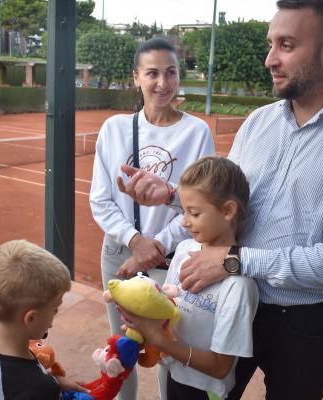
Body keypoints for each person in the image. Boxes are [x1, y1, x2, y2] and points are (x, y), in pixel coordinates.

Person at [115, 1, 323, 399]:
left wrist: (235, 260)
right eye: (271, 44)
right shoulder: (258, 122)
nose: (270, 59)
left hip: (300, 323)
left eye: (286, 45)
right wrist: (169, 195)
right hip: (223, 294)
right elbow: (225, 205)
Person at [89, 37, 215, 400]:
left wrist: (157, 245)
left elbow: (199, 204)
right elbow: (101, 200)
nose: (163, 83)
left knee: (168, 351)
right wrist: (134, 241)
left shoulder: (196, 132)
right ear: (136, 78)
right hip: (120, 256)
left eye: (171, 73)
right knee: (124, 348)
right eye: (153, 73)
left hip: (172, 263)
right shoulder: (114, 129)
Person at [122, 157, 259, 400]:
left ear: (228, 210)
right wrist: (144, 324)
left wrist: (160, 342)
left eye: (194, 213)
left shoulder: (239, 286)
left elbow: (220, 367)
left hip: (206, 393)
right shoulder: (184, 249)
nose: (185, 221)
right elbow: (168, 309)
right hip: (175, 376)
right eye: (184, 211)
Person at [0, 240, 87, 399]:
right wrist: (49, 387)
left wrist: (54, 380)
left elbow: (15, 381)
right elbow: (27, 386)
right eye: (54, 309)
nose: (56, 313)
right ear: (31, 318)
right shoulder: (39, 390)